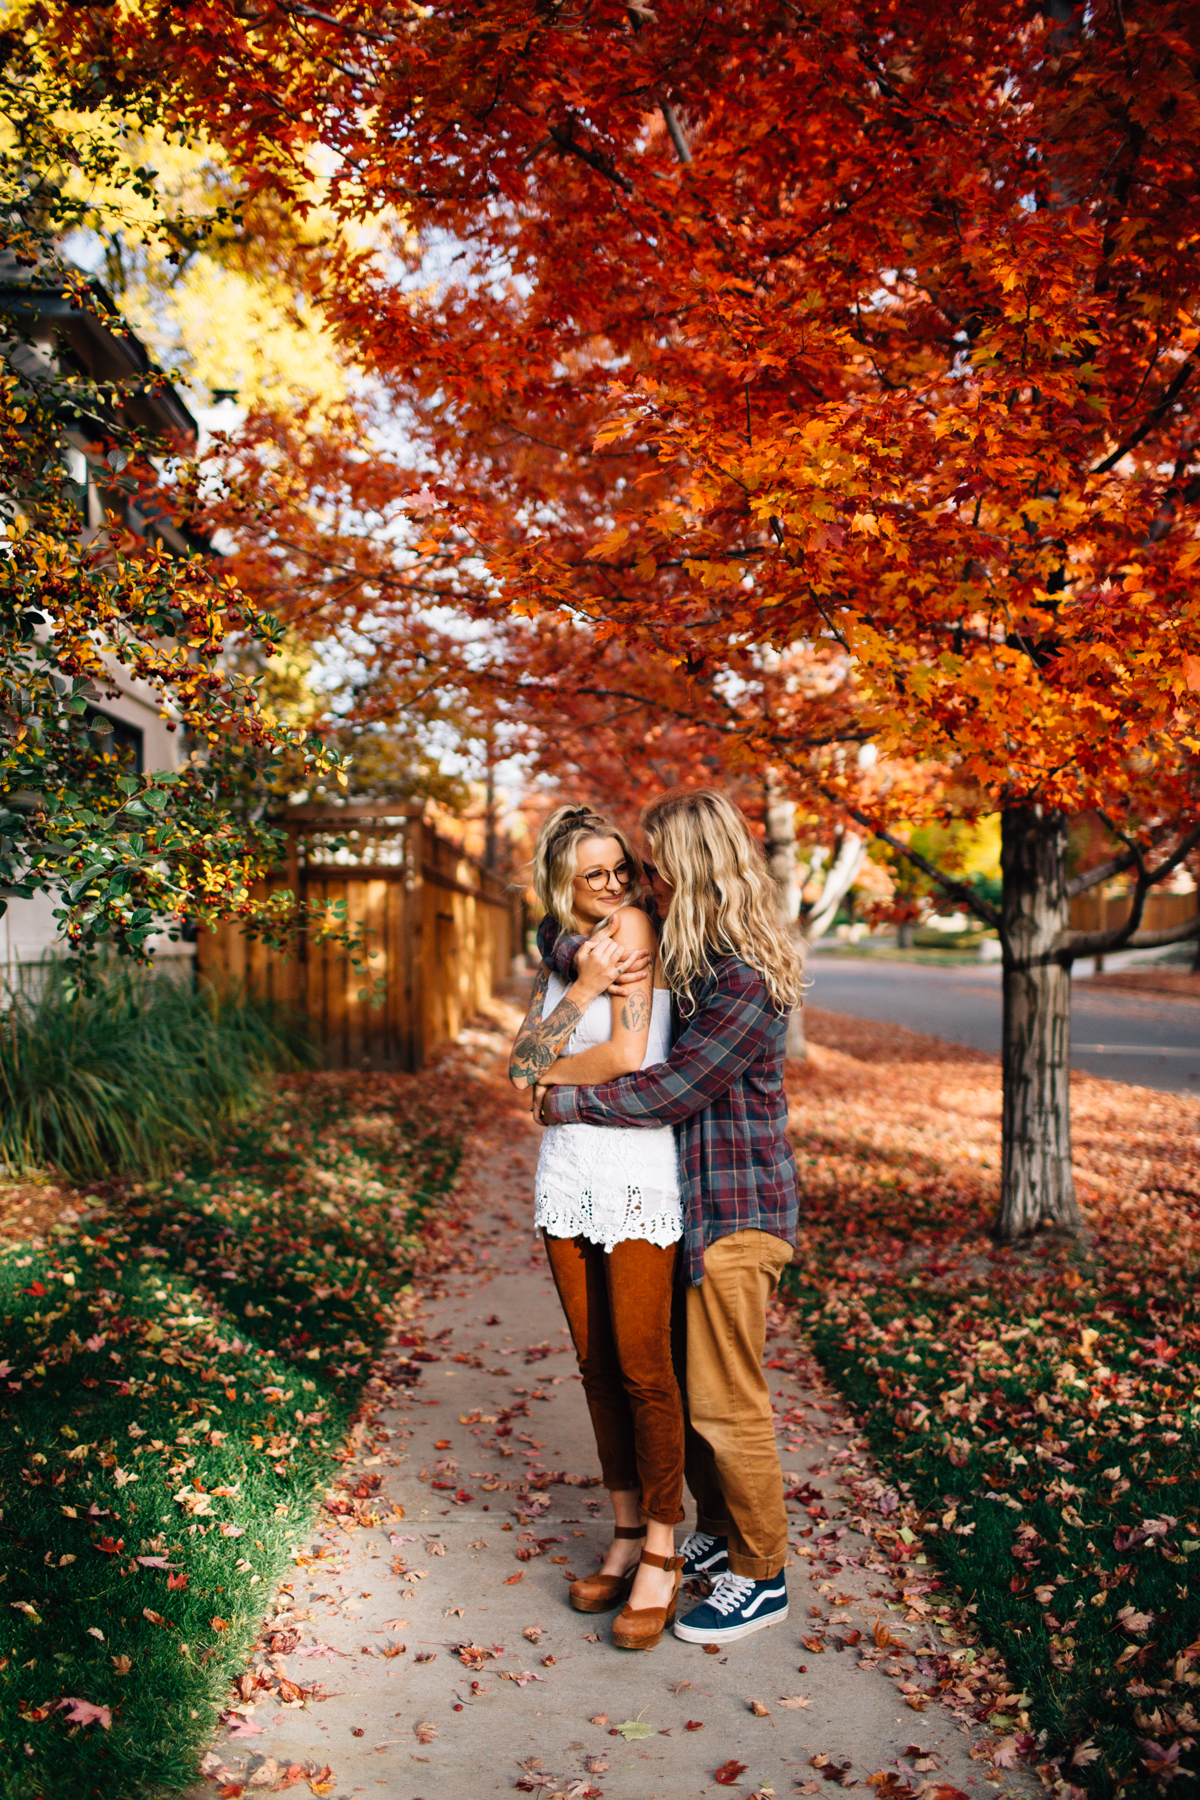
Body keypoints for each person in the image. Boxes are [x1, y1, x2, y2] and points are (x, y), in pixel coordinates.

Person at [534, 788, 804, 1647]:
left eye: (651, 866)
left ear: (692, 867)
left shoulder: (741, 979)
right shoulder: (697, 948)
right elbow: (568, 935)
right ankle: (718, 1541)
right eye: (618, 871)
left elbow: (672, 1088)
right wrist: (575, 953)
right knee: (688, 1397)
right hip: (694, 1199)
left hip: (736, 1210)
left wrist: (562, 1104)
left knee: (726, 1406)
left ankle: (763, 1577)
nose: (638, 882)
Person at [509, 804, 686, 1652]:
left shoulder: (636, 930)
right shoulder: (566, 953)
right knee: (594, 1364)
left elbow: (624, 1057)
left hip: (636, 1170)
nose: (616, 886)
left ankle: (662, 1544)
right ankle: (622, 1531)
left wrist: (547, 1082)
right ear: (560, 881)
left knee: (646, 1367)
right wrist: (576, 994)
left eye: (623, 869)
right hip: (569, 1175)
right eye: (596, 875)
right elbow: (513, 1062)